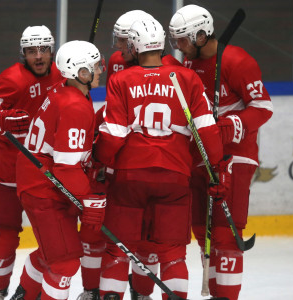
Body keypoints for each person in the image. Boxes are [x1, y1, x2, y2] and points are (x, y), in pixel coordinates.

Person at [94, 19, 231, 300]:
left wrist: (98, 162)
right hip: (175, 177)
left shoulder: (121, 80)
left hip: (129, 178)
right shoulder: (186, 78)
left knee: (118, 251)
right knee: (172, 255)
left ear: (134, 45)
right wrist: (216, 171)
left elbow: (114, 135)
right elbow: (207, 130)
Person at [169, 5, 274, 300]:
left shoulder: (237, 61)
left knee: (226, 236)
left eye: (183, 39)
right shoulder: (187, 63)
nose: (178, 46)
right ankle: (217, 292)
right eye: (174, 40)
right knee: (203, 230)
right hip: (200, 155)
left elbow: (264, 107)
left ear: (201, 35)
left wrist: (231, 124)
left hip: (235, 157)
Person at [10, 40, 106, 300]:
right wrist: (90, 200)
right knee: (65, 262)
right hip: (45, 188)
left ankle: (24, 295)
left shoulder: (62, 89)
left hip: (39, 181)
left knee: (51, 253)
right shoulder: (75, 106)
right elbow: (66, 169)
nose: (100, 70)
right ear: (81, 73)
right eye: (95, 66)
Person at [0, 25, 62, 300]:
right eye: (32, 51)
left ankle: (29, 290)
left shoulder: (63, 76)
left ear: (52, 50)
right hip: (8, 174)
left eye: (44, 49)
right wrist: (1, 121)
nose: (38, 56)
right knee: (4, 235)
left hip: (45, 174)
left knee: (55, 239)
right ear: (23, 53)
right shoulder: (11, 80)